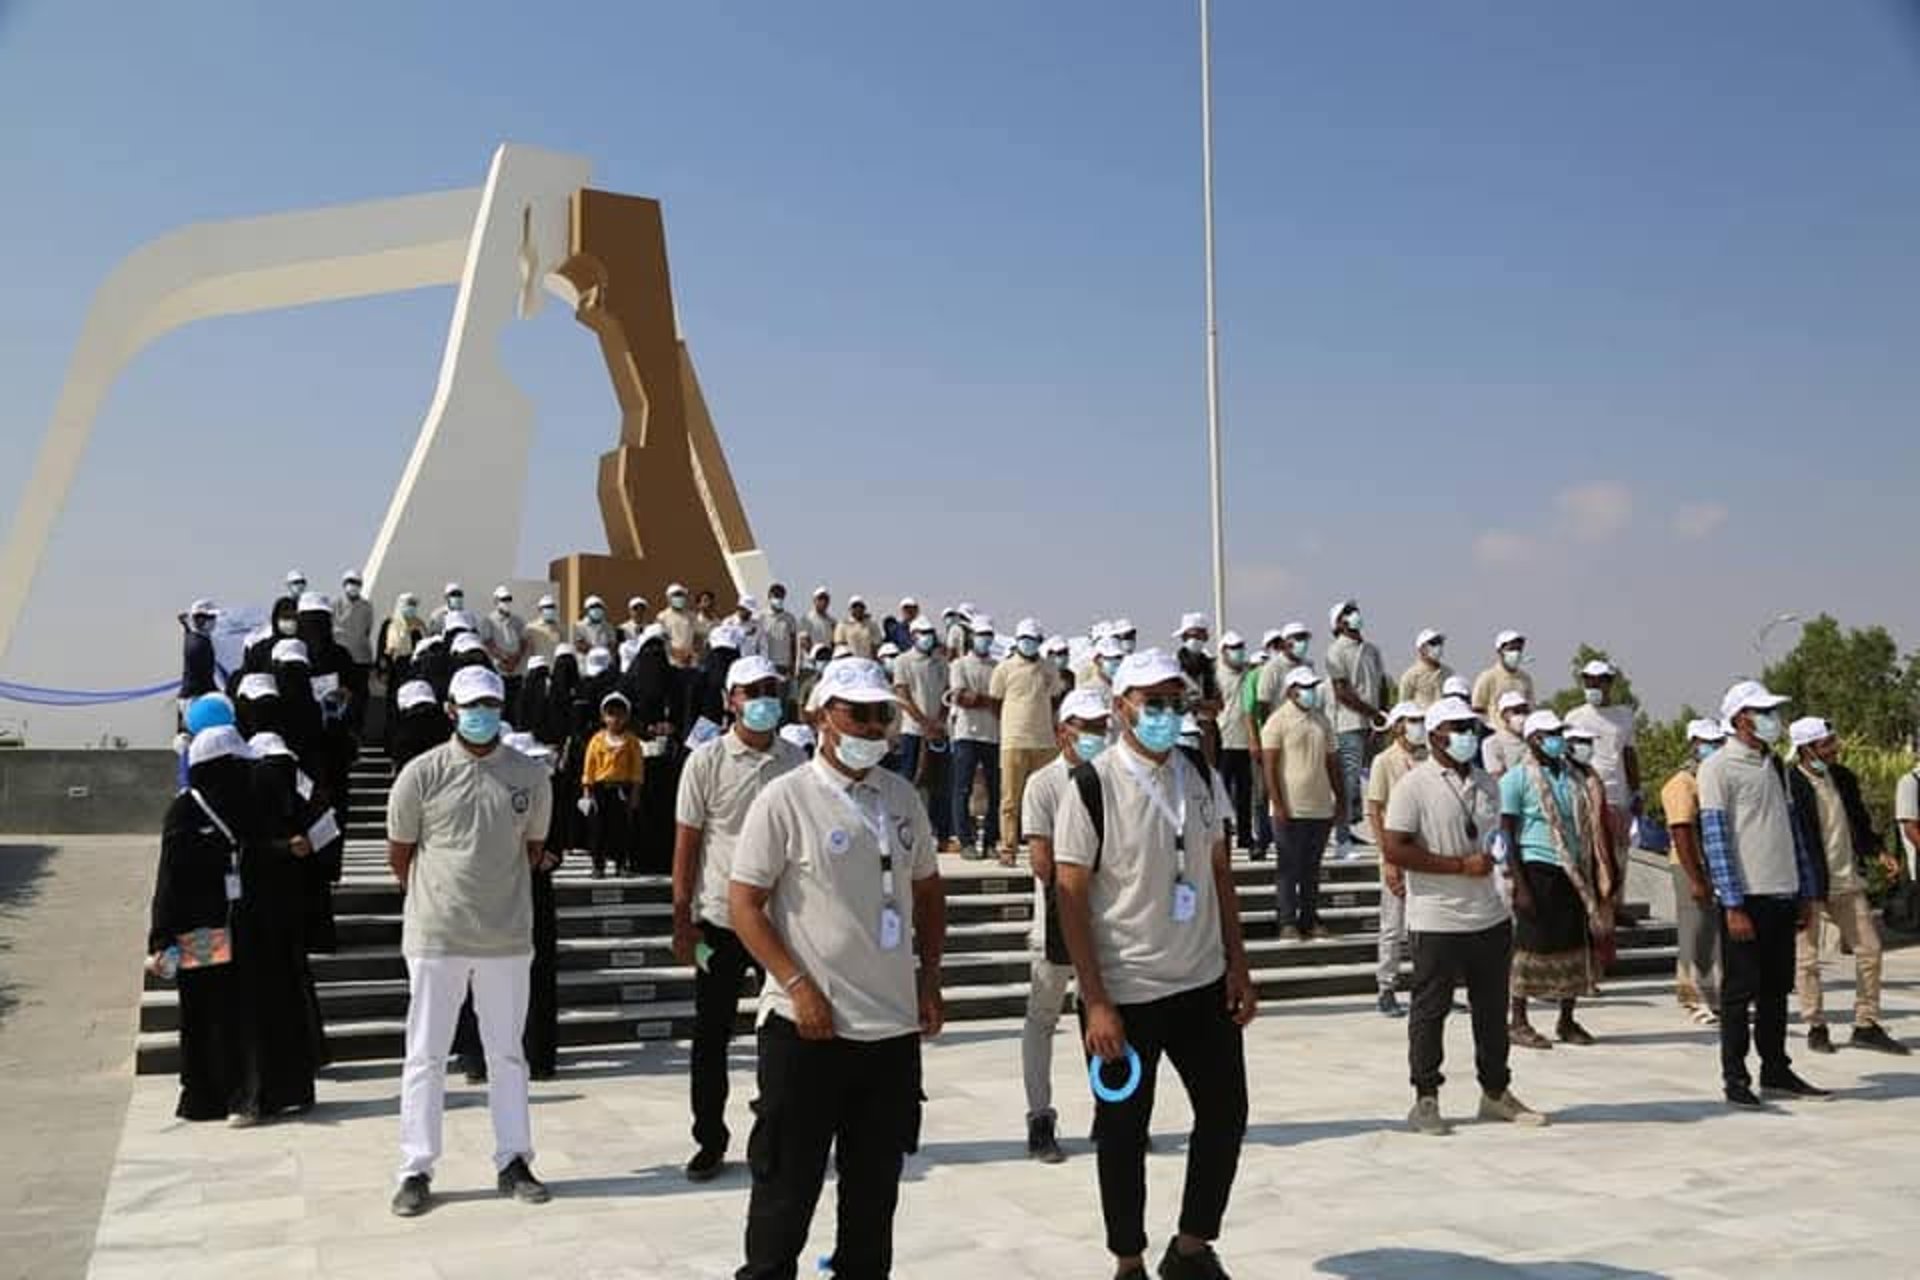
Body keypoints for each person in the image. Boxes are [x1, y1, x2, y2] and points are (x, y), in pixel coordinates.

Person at [727, 657, 946, 1280]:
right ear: (822, 716)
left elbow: (928, 892)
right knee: (784, 1196)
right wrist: (798, 986)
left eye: (883, 715)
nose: (874, 727)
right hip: (807, 1031)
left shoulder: (901, 797)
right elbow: (745, 904)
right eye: (860, 714)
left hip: (890, 1032)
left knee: (873, 1205)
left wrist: (927, 976)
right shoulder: (785, 798)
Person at [1052, 649, 1256, 1280]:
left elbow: (1219, 873)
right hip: (1126, 991)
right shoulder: (1092, 785)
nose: (1166, 713)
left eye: (1176, 702)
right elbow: (1071, 897)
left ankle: (1192, 1247)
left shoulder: (1196, 771)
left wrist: (1238, 965)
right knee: (1121, 1132)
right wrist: (1096, 1001)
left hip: (1199, 982)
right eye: (1153, 702)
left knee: (1226, 1113)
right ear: (1121, 708)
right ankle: (1128, 1259)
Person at [386, 666, 555, 1217]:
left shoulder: (529, 775)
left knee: (507, 1054)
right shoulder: (422, 773)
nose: (482, 713)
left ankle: (514, 1159)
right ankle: (415, 1168)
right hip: (438, 934)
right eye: (471, 705)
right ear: (451, 711)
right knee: (426, 1055)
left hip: (506, 935)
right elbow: (400, 855)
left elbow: (532, 849)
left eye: (491, 703)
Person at [671, 656, 807, 1181]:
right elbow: (687, 844)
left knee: (782, 1035)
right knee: (711, 1036)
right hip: (721, 921)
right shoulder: (705, 761)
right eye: (752, 691)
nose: (763, 699)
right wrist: (682, 919)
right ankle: (709, 1138)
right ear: (731, 700)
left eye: (771, 689)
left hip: (782, 923)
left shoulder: (796, 760)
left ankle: (772, 1131)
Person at [1384, 698, 1544, 1136]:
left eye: (1472, 728)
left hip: (1488, 916)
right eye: (1459, 728)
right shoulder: (1414, 785)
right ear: (1436, 734)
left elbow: (1496, 839)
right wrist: (1456, 867)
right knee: (1430, 1011)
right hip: (1437, 918)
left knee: (1491, 1011)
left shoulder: (1486, 784)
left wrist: (1503, 868)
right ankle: (1426, 1099)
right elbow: (1394, 847)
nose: (1468, 736)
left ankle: (1495, 1092)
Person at [147, 726, 319, 1124]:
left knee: (221, 1009)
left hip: (219, 928)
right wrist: (161, 938)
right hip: (227, 927)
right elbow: (171, 877)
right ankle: (234, 1096)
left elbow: (169, 880)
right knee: (227, 1009)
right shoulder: (193, 809)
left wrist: (161, 934)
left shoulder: (200, 808)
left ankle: (231, 1095)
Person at [1698, 680, 1827, 1107]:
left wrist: (1805, 890)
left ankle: (1776, 1069)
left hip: (1782, 892)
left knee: (1775, 988)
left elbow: (1793, 833)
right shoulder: (1717, 768)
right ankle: (1735, 1077)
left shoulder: (1775, 766)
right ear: (1740, 719)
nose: (1773, 719)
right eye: (1763, 711)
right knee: (1739, 992)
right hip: (1746, 898)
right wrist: (1732, 902)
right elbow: (1716, 840)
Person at [1017, 686, 1110, 1166]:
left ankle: (1109, 1108)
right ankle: (1040, 1116)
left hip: (1106, 920)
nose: (1095, 735)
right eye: (1086, 726)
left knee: (1102, 1013)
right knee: (1043, 1018)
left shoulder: (1112, 779)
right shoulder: (1045, 784)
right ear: (1063, 730)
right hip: (1056, 917)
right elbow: (1041, 860)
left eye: (1101, 726)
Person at [1787, 717, 1907, 1055]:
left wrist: (1878, 850)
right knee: (1807, 960)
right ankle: (1816, 1024)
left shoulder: (1842, 778)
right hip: (1808, 884)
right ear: (1807, 749)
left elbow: (1859, 821)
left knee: (1869, 950)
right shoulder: (1789, 784)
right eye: (1826, 744)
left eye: (1833, 741)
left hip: (1846, 880)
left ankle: (1866, 1023)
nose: (1834, 748)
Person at [1502, 710, 1615, 1050]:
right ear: (1534, 739)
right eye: (1550, 734)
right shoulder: (1517, 778)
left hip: (1574, 869)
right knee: (1530, 945)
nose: (1557, 740)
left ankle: (1566, 1018)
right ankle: (1518, 1020)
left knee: (1573, 942)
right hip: (1537, 866)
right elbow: (1507, 833)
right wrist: (1520, 884)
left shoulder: (1573, 777)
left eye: (1558, 734)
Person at [1262, 667, 1342, 942]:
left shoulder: (1322, 720)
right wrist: (1277, 803)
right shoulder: (1277, 721)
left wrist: (1340, 799)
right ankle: (1286, 921)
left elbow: (1333, 763)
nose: (1310, 692)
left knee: (1311, 867)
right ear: (1290, 690)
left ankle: (1310, 918)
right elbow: (1269, 766)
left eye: (1312, 686)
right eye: (1304, 687)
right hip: (1289, 808)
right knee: (1288, 867)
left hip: (1319, 807)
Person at [1663, 718, 1727, 1027]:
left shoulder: (1712, 778)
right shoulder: (1682, 783)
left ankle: (1714, 995)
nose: (1714, 748)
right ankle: (1693, 998)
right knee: (1695, 931)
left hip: (1714, 863)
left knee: (1712, 933)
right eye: (1707, 742)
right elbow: (1681, 831)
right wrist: (1696, 877)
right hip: (1690, 863)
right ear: (1694, 744)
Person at [1365, 702, 1427, 1016]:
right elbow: (1375, 809)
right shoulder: (1383, 762)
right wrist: (1387, 856)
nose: (1419, 726)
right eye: (1414, 721)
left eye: (1422, 720)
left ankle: (1428, 984)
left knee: (1426, 924)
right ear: (1399, 725)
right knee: (1392, 925)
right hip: (1396, 851)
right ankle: (1386, 987)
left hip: (1425, 852)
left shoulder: (1427, 758)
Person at [992, 617, 1065, 869]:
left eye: (1033, 640)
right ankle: (1008, 848)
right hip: (1013, 740)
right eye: (1024, 639)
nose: (1028, 643)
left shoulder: (1049, 668)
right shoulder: (1004, 668)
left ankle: (1051, 847)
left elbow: (1055, 697)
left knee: (1047, 797)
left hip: (1044, 741)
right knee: (1011, 799)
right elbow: (995, 701)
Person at [1564, 659, 1640, 870]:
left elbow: (1629, 754)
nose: (1593, 688)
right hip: (1586, 795)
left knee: (1617, 857)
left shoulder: (1624, 715)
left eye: (1598, 683)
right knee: (1589, 855)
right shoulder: (1575, 717)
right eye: (1589, 683)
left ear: (1609, 684)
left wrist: (1637, 792)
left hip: (1618, 796)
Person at [1323, 600, 1384, 857]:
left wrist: (1381, 716)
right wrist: (1372, 713)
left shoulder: (1372, 650)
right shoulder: (1335, 652)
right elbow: (1342, 693)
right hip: (1347, 725)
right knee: (1346, 783)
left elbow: (1381, 684)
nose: (1355, 615)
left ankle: (1355, 829)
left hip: (1372, 724)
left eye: (1354, 611)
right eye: (1347, 613)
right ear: (1339, 622)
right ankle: (1341, 837)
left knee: (1367, 781)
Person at [893, 615, 952, 846]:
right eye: (923, 633)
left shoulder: (940, 662)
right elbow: (903, 696)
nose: (927, 637)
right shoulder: (902, 661)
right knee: (909, 782)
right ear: (913, 635)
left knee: (939, 784)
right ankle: (905, 832)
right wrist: (924, 723)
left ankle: (942, 834)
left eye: (930, 633)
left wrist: (938, 722)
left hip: (938, 732)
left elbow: (947, 693)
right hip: (913, 732)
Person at [949, 615, 1003, 861]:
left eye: (988, 635)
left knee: (994, 789)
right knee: (962, 789)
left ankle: (990, 841)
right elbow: (961, 698)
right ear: (972, 637)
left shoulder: (997, 666)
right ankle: (966, 841)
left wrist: (980, 699)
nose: (985, 640)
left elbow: (1001, 704)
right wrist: (987, 701)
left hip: (993, 736)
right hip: (966, 735)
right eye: (981, 635)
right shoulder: (959, 665)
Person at [581, 692, 645, 878]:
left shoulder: (631, 741)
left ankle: (621, 863)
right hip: (601, 789)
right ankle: (598, 865)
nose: (615, 719)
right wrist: (587, 790)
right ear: (603, 717)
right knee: (598, 827)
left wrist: (635, 792)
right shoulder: (597, 740)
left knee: (622, 828)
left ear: (626, 717)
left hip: (622, 788)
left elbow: (637, 768)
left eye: (619, 714)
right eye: (610, 714)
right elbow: (590, 766)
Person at [1214, 632, 1256, 854]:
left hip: (1244, 740)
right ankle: (1223, 832)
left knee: (1244, 792)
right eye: (1233, 647)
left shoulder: (1248, 673)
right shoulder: (1217, 674)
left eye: (1240, 646)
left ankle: (1245, 835)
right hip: (1223, 740)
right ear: (1223, 651)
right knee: (1222, 792)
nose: (1238, 650)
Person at [1471, 630, 1533, 725]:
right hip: (1493, 733)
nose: (1516, 652)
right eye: (1511, 649)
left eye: (1519, 649)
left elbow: (1530, 708)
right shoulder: (1487, 677)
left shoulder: (1525, 679)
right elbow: (1477, 708)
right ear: (1500, 651)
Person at [480, 586, 529, 707]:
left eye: (508, 599)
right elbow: (488, 642)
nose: (506, 602)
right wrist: (503, 658)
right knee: (501, 705)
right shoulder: (488, 620)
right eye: (503, 599)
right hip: (498, 670)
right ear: (496, 601)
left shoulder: (518, 620)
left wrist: (516, 659)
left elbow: (523, 641)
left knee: (516, 706)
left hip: (516, 671)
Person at [387, 680, 447, 770]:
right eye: (417, 709)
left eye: (426, 708)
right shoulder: (444, 726)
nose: (422, 714)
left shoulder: (403, 731)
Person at [178, 599, 221, 716]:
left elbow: (187, 630)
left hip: (191, 697)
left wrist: (185, 624)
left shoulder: (193, 636)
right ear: (200, 619)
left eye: (214, 617)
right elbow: (206, 678)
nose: (214, 621)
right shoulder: (200, 645)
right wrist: (221, 695)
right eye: (211, 617)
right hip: (196, 699)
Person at [333, 571, 375, 689]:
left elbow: (367, 629)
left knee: (359, 693)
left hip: (360, 658)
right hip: (340, 658)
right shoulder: (336, 604)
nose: (353, 585)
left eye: (356, 583)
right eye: (350, 582)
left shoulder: (366, 606)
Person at [1484, 692, 1532, 779]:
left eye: (1525, 711)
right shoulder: (1492, 743)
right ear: (1503, 716)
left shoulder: (1534, 740)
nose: (1522, 715)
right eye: (1516, 711)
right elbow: (1497, 778)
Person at [1399, 629, 1451, 709]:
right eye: (1433, 643)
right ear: (1421, 649)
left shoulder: (1448, 673)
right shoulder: (1410, 676)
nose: (1439, 646)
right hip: (1422, 719)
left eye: (1440, 642)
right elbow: (1403, 705)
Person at [762, 584, 799, 688]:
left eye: (780, 596)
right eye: (775, 596)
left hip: (784, 665)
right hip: (767, 665)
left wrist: (793, 665)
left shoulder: (789, 618)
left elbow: (793, 643)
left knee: (783, 698)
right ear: (769, 597)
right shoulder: (761, 617)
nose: (778, 599)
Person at [658, 583, 702, 667]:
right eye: (675, 595)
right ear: (668, 598)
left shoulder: (692, 616)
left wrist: (691, 653)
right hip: (672, 662)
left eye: (681, 595)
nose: (679, 598)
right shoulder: (662, 617)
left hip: (691, 661)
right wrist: (677, 654)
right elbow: (663, 640)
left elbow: (698, 637)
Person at [525, 595, 566, 665]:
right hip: (538, 668)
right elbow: (528, 651)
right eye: (547, 607)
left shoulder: (559, 628)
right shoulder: (531, 628)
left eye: (552, 607)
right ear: (540, 610)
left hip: (555, 668)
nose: (550, 609)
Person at [801, 586, 837, 656]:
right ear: (814, 601)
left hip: (827, 660)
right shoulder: (806, 619)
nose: (823, 601)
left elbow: (834, 642)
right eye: (820, 598)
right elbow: (804, 641)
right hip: (810, 661)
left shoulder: (832, 621)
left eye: (825, 599)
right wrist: (816, 655)